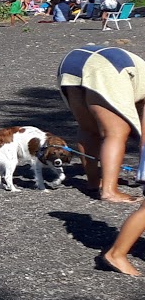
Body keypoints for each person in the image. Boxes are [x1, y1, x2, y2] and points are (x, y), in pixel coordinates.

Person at [58, 45, 145, 204]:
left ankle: (93, 182)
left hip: (73, 60)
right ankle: (109, 191)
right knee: (116, 133)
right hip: (107, 67)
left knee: (88, 129)